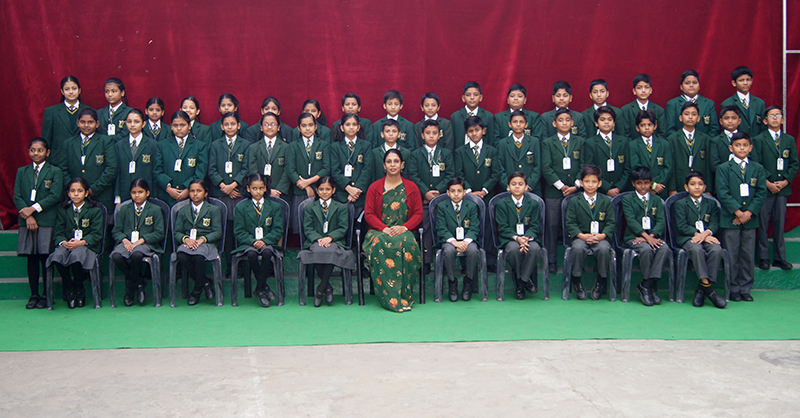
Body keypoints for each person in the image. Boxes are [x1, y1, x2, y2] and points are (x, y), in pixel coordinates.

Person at [363, 149, 423, 312]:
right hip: (379, 231)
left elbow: (418, 213)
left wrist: (404, 227)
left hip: (403, 230)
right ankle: (388, 298)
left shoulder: (411, 187)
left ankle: (404, 296)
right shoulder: (375, 187)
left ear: (402, 164)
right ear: (384, 165)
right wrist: (384, 228)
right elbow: (369, 214)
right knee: (378, 243)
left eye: (396, 161)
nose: (393, 165)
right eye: (389, 161)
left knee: (408, 243)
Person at [716, 132, 767, 302]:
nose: (742, 148)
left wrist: (748, 213)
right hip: (731, 219)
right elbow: (722, 193)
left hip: (750, 220)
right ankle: (733, 289)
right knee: (732, 255)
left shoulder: (757, 168)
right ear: (731, 148)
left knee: (747, 255)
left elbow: (761, 193)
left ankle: (745, 288)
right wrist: (738, 213)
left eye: (745, 145)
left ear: (750, 148)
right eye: (738, 145)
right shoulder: (724, 168)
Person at [14, 138, 63, 309]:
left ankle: (46, 294)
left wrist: (33, 209)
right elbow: (17, 196)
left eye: (40, 150)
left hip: (46, 220)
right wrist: (27, 216)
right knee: (32, 258)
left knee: (45, 257)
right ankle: (34, 294)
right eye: (33, 150)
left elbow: (55, 195)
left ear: (47, 152)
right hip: (27, 220)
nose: (36, 153)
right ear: (28, 152)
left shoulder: (55, 171)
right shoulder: (22, 171)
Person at [297, 176, 355, 307]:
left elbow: (343, 228)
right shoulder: (310, 207)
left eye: (328, 189)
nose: (324, 192)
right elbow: (308, 228)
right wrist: (319, 239)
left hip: (335, 241)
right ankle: (327, 288)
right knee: (317, 250)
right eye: (321, 189)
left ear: (333, 190)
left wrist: (330, 238)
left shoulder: (341, 207)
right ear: (317, 190)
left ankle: (320, 289)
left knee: (331, 251)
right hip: (315, 241)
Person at [46, 177, 103, 309]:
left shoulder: (94, 210)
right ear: (68, 193)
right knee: (57, 256)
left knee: (76, 255)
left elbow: (97, 234)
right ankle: (69, 286)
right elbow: (58, 232)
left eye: (80, 191)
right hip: (68, 245)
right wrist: (63, 242)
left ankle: (79, 286)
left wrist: (80, 242)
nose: (76, 194)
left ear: (86, 193)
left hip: (87, 246)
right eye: (72, 191)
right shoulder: (63, 209)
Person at [673, 171, 727, 308]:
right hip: (688, 238)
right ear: (686, 187)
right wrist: (698, 234)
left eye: (700, 184)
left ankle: (702, 289)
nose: (697, 187)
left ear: (704, 187)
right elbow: (681, 226)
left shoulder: (711, 203)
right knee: (697, 249)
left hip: (707, 237)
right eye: (693, 184)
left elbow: (714, 223)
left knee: (716, 249)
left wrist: (705, 234)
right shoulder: (680, 204)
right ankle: (710, 290)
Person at [753, 106, 797, 270]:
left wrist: (785, 181)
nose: (775, 118)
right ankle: (763, 257)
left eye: (778, 115)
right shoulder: (759, 139)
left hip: (782, 189)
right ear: (765, 121)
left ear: (783, 119)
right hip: (765, 188)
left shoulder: (789, 140)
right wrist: (768, 183)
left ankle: (780, 257)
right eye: (771, 116)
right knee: (763, 224)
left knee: (779, 224)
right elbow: (756, 163)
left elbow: (794, 163)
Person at [541, 108, 584, 273]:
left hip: (576, 191)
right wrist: (562, 186)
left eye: (567, 120)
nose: (564, 123)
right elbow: (546, 168)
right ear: (554, 123)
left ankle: (574, 263)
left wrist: (575, 186)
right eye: (560, 120)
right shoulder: (547, 143)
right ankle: (551, 261)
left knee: (574, 226)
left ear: (572, 123)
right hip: (554, 192)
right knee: (552, 226)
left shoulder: (580, 142)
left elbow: (583, 165)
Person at [109, 179, 165, 306]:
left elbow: (159, 233)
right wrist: (125, 240)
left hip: (146, 244)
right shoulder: (124, 209)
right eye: (134, 192)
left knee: (137, 254)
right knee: (116, 256)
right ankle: (139, 282)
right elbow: (116, 231)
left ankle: (129, 289)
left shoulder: (155, 209)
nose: (137, 195)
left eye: (140, 192)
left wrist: (141, 240)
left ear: (147, 193)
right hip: (127, 243)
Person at [232, 174, 283, 307]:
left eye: (261, 188)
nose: (258, 191)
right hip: (249, 244)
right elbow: (239, 231)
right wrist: (253, 241)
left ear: (266, 188)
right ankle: (263, 287)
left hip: (268, 243)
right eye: (254, 188)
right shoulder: (241, 207)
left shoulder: (275, 206)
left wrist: (264, 241)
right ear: (248, 189)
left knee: (267, 252)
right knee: (251, 254)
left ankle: (259, 288)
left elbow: (278, 230)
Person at [408, 119, 455, 266]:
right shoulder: (416, 154)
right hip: (423, 200)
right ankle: (426, 261)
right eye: (428, 133)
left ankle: (445, 262)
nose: (431, 136)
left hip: (442, 200)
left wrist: (438, 192)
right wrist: (426, 193)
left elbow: (450, 175)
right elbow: (413, 176)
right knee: (426, 228)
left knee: (444, 227)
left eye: (434, 133)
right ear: (422, 135)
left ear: (439, 135)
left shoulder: (446, 153)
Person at [565, 164, 615, 300]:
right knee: (578, 248)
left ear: (600, 184)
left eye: (594, 181)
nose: (590, 185)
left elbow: (611, 222)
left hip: (600, 237)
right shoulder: (574, 201)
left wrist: (602, 236)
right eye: (587, 181)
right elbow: (570, 223)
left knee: (604, 249)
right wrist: (582, 236)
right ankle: (577, 280)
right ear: (581, 183)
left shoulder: (606, 201)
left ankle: (601, 280)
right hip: (581, 237)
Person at [208, 112, 249, 277]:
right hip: (221, 194)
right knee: (226, 231)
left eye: (233, 124)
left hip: (239, 194)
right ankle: (228, 266)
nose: (230, 127)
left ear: (239, 126)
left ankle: (241, 266)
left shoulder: (246, 144)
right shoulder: (215, 145)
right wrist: (223, 186)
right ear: (221, 126)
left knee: (240, 229)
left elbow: (246, 168)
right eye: (226, 124)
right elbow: (211, 169)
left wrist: (233, 185)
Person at [56, 108, 118, 216]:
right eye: (83, 122)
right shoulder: (68, 143)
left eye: (90, 122)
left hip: (100, 195)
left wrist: (93, 190)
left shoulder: (106, 141)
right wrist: (74, 190)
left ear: (97, 124)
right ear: (78, 123)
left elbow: (111, 169)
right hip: (75, 197)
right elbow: (63, 169)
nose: (86, 125)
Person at [622, 166, 670, 306]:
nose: (643, 186)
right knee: (646, 249)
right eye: (639, 183)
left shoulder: (656, 200)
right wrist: (646, 238)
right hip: (634, 237)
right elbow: (631, 221)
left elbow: (661, 221)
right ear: (633, 184)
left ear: (651, 183)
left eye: (646, 183)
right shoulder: (627, 199)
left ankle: (647, 285)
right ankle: (649, 287)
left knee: (664, 248)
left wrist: (652, 236)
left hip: (652, 237)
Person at [174, 179, 223, 306]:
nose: (195, 194)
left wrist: (202, 239)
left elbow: (217, 232)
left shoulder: (213, 209)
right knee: (181, 256)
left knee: (199, 257)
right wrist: (186, 239)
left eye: (199, 191)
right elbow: (177, 232)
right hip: (188, 243)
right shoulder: (183, 210)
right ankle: (205, 282)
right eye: (192, 191)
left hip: (206, 243)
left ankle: (196, 290)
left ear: (205, 193)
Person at [495, 172, 542, 300]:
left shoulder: (533, 203)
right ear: (508, 187)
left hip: (528, 238)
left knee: (534, 248)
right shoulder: (502, 204)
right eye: (513, 184)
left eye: (520, 184)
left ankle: (521, 281)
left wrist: (526, 238)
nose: (517, 187)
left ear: (526, 187)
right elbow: (503, 227)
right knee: (513, 249)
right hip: (510, 238)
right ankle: (526, 280)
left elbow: (535, 225)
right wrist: (517, 238)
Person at [436, 177, 480, 302]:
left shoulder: (471, 206)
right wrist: (453, 241)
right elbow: (441, 228)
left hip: (467, 240)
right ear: (448, 192)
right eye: (453, 191)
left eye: (459, 191)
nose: (456, 194)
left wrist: (466, 241)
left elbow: (475, 227)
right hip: (449, 241)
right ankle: (452, 282)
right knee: (449, 251)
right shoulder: (442, 206)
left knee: (473, 251)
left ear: (464, 192)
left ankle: (468, 282)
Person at [153, 110, 209, 207]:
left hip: (191, 196)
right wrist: (168, 188)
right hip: (167, 196)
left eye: (182, 125)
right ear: (171, 126)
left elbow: (201, 172)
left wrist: (188, 189)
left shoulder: (199, 146)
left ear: (189, 126)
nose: (179, 128)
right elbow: (157, 170)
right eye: (175, 125)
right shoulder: (162, 145)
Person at [286, 112, 330, 233]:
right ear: (299, 128)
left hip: (319, 190)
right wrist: (305, 186)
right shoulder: (293, 146)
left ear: (315, 126)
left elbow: (326, 168)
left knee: (318, 224)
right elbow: (290, 169)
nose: (307, 128)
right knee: (301, 225)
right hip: (300, 190)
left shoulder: (323, 145)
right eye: (304, 126)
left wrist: (309, 182)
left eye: (310, 125)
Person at [41, 76, 93, 167]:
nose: (71, 92)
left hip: (83, 161)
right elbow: (46, 140)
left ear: (79, 90)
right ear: (62, 91)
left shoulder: (90, 111)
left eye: (74, 88)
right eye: (67, 89)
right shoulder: (51, 112)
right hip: (58, 161)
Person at [667, 102, 713, 195]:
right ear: (680, 118)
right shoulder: (672, 139)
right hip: (680, 184)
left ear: (698, 118)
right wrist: (672, 188)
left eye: (694, 114)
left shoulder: (705, 138)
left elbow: (708, 166)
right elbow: (670, 165)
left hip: (700, 186)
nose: (690, 117)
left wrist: (708, 189)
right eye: (687, 114)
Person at [583, 106, 630, 197]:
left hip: (621, 190)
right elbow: (591, 169)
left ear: (614, 123)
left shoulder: (623, 141)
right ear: (596, 123)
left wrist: (619, 187)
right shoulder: (590, 143)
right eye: (602, 119)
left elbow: (628, 168)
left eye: (610, 119)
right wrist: (607, 188)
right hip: (600, 190)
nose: (606, 122)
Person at [115, 109, 158, 206]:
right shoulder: (119, 145)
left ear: (143, 124)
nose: (132, 125)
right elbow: (117, 173)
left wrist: (155, 196)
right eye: (129, 121)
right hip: (125, 192)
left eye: (136, 122)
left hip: (146, 193)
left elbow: (155, 172)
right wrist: (117, 198)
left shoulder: (153, 144)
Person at [454, 116, 500, 205]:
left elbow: (495, 174)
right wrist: (469, 191)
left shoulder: (492, 151)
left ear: (483, 131)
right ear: (467, 133)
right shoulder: (460, 152)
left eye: (477, 130)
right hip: (467, 197)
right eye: (471, 131)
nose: (474, 133)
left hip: (487, 197)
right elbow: (459, 174)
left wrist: (484, 191)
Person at [330, 113, 371, 210]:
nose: (351, 127)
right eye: (348, 124)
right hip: (342, 195)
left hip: (360, 195)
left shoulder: (366, 145)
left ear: (358, 127)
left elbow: (367, 169)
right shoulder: (335, 147)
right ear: (342, 128)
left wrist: (356, 191)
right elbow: (335, 171)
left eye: (354, 124)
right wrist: (348, 188)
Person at [628, 110, 672, 200]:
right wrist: (651, 185)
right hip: (641, 188)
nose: (647, 128)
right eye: (643, 125)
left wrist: (657, 185)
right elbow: (635, 167)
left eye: (650, 125)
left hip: (660, 189)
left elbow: (668, 168)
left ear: (655, 126)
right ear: (637, 128)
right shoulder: (632, 145)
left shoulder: (664, 144)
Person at [246, 112, 291, 199]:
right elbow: (253, 171)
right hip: (259, 193)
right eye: (266, 124)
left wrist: (278, 190)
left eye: (273, 124)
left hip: (280, 194)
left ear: (278, 127)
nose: (269, 127)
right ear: (261, 127)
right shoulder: (253, 148)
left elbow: (287, 171)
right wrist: (265, 190)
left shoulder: (286, 147)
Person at [496, 110, 542, 192]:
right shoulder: (502, 143)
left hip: (531, 189)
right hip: (509, 190)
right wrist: (509, 186)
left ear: (526, 124)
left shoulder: (534, 142)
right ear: (509, 124)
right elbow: (500, 167)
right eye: (515, 122)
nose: (518, 124)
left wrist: (529, 186)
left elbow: (538, 166)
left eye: (521, 122)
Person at [665, 70, 719, 136]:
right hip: (679, 141)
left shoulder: (709, 103)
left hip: (705, 141)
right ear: (681, 87)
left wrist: (705, 141)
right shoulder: (672, 104)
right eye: (687, 83)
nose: (691, 85)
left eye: (694, 83)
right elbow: (670, 130)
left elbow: (714, 129)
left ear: (699, 86)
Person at [720, 66, 766, 137]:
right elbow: (726, 129)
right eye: (741, 80)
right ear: (734, 83)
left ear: (752, 81)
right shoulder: (727, 103)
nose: (745, 83)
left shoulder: (760, 103)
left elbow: (764, 127)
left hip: (756, 142)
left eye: (748, 80)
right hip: (736, 142)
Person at [618, 74, 666, 138]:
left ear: (651, 90)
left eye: (646, 87)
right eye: (639, 87)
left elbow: (662, 134)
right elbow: (625, 134)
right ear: (634, 91)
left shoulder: (659, 110)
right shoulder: (626, 110)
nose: (643, 90)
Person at [365, 119, 412, 184]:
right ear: (382, 134)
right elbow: (372, 175)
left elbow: (408, 175)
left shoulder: (406, 153)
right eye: (387, 131)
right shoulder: (375, 153)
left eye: (394, 131)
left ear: (399, 134)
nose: (391, 134)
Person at [451, 82, 495, 147]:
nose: (472, 97)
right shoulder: (455, 117)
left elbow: (491, 139)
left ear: (480, 97)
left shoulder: (488, 116)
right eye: (468, 95)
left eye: (475, 95)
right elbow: (452, 141)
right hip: (460, 152)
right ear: (463, 98)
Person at [710, 106, 745, 176]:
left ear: (739, 121)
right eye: (726, 118)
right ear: (721, 121)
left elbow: (753, 161)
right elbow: (714, 165)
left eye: (734, 118)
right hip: (724, 177)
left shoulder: (746, 139)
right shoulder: (715, 141)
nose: (730, 121)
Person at [95, 77, 131, 142]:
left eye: (114, 91)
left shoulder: (129, 112)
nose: (110, 94)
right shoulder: (99, 113)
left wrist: (107, 141)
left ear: (122, 93)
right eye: (107, 91)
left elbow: (125, 135)